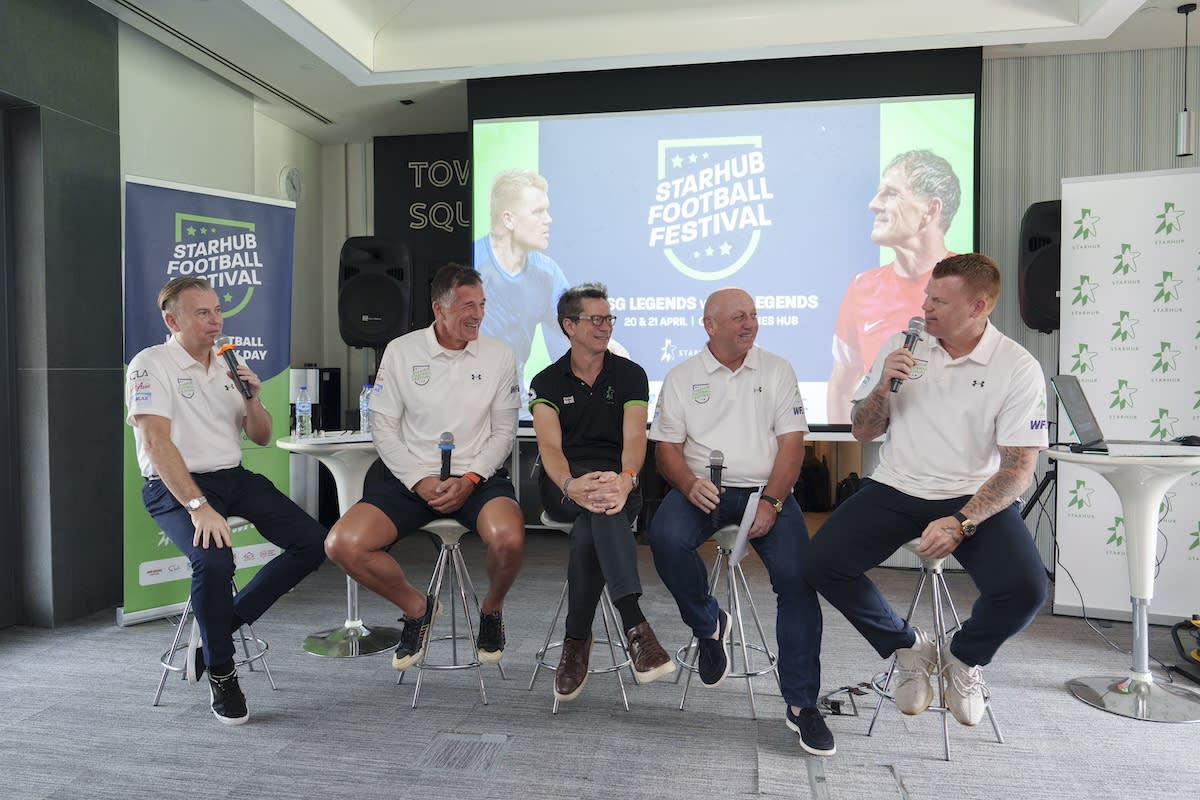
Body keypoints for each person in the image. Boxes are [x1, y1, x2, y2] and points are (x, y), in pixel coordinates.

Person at [804, 253, 1049, 728]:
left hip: (971, 495)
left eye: (939, 301)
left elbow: (1019, 468)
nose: (926, 308)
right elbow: (861, 432)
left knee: (1025, 589)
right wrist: (881, 388)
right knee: (821, 564)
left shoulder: (1015, 366)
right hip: (897, 485)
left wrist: (962, 521)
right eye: (926, 297)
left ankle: (964, 656)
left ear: (978, 307)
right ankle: (908, 649)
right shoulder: (902, 344)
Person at [126, 277, 326, 726]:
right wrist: (198, 506)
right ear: (171, 319)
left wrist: (252, 398)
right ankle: (222, 670)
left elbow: (260, 434)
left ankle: (221, 627)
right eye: (202, 312)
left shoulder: (227, 364)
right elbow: (156, 443)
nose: (215, 320)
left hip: (231, 475)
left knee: (314, 542)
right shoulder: (151, 364)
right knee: (214, 562)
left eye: (217, 310)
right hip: (172, 483)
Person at [647, 288, 834, 757]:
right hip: (700, 489)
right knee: (665, 539)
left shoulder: (777, 369)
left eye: (752, 314)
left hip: (765, 490)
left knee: (797, 579)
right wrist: (688, 484)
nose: (749, 324)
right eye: (737, 318)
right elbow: (665, 449)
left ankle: (801, 704)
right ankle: (710, 626)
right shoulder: (682, 376)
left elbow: (792, 445)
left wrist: (772, 500)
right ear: (709, 325)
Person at [324, 263, 525, 672]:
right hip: (411, 480)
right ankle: (418, 609)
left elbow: (504, 433)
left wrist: (470, 479)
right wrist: (418, 480)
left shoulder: (499, 355)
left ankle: (490, 610)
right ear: (439, 308)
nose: (478, 315)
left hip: (477, 477)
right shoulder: (402, 351)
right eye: (468, 305)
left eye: (482, 305)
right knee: (341, 544)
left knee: (509, 538)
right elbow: (383, 426)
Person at [529, 283, 675, 703]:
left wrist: (627, 477)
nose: (605, 326)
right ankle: (635, 626)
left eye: (609, 318)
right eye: (596, 319)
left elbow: (634, 437)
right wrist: (573, 486)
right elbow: (551, 450)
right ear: (568, 325)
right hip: (563, 482)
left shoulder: (630, 374)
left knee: (595, 523)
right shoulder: (546, 381)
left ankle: (576, 643)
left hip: (618, 478)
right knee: (598, 514)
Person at [827, 149, 961, 423]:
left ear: (931, 209)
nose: (874, 204)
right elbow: (841, 389)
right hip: (884, 456)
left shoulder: (968, 279)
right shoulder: (862, 287)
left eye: (891, 193)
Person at [475, 169, 571, 412]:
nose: (548, 219)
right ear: (508, 219)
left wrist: (615, 352)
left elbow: (579, 328)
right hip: (466, 404)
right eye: (538, 212)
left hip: (514, 405)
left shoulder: (548, 273)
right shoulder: (470, 264)